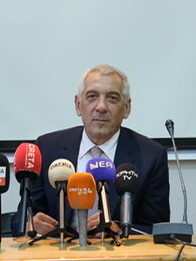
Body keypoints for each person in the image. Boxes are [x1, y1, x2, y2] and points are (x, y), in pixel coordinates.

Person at [18, 64, 169, 236]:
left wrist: (120, 230)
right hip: (58, 251)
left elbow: (157, 229)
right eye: (92, 97)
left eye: (112, 98)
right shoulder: (47, 148)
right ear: (78, 105)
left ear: (127, 108)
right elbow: (19, 220)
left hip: (118, 252)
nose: (101, 107)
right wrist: (30, 225)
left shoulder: (151, 156)